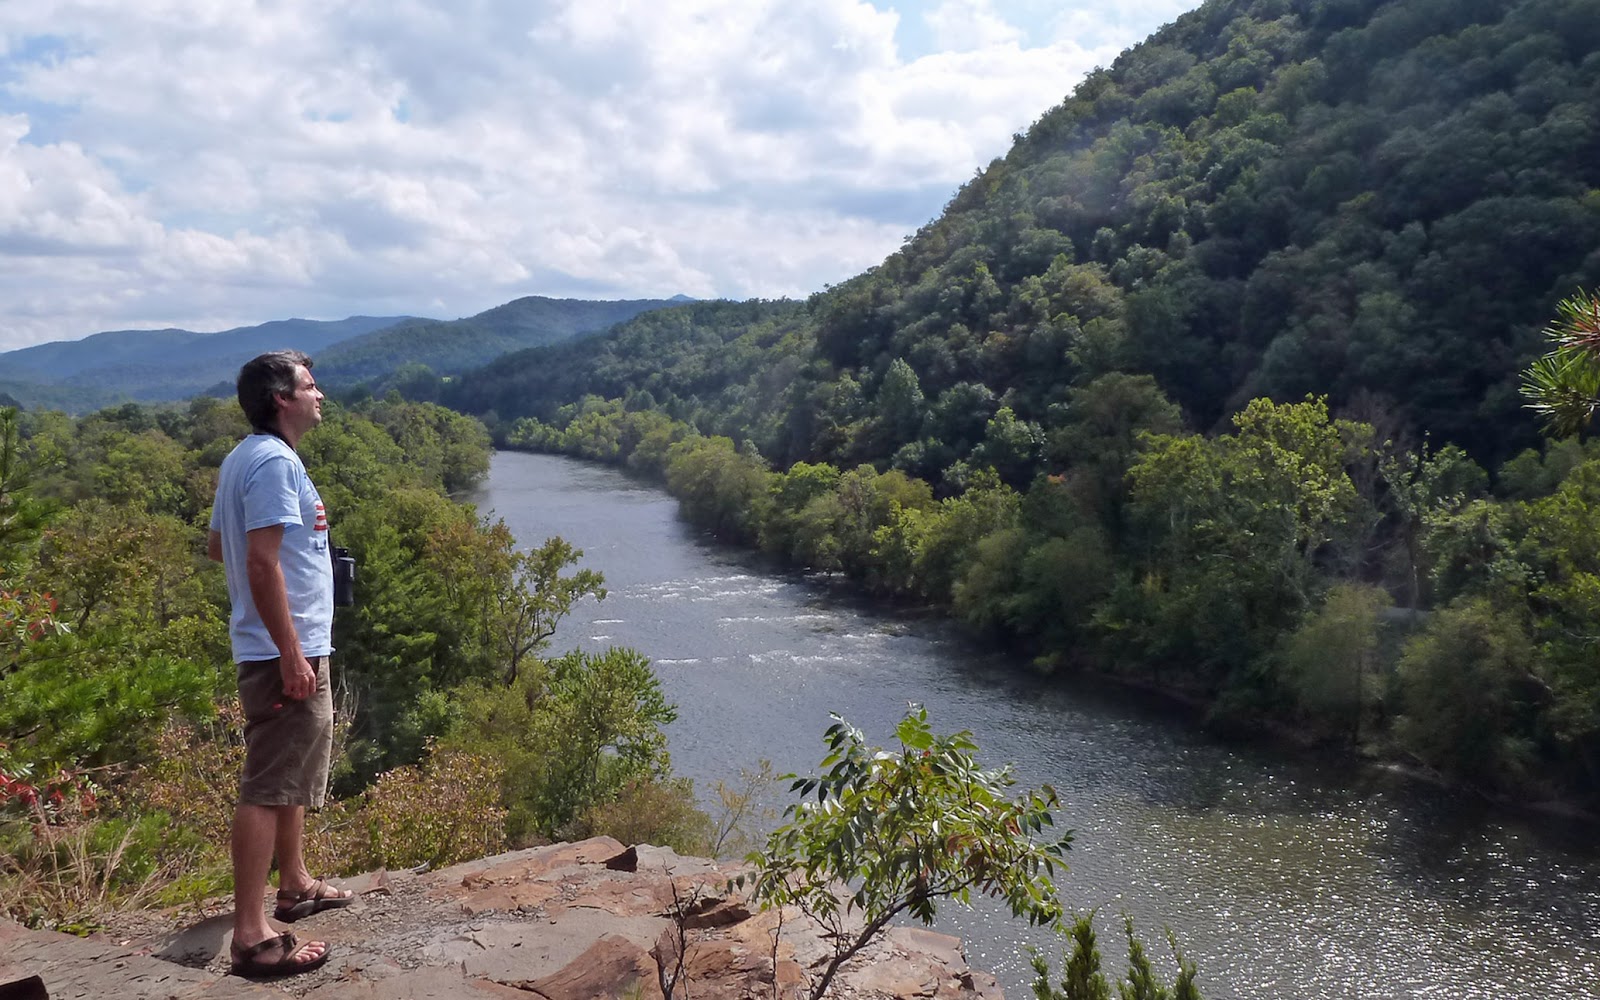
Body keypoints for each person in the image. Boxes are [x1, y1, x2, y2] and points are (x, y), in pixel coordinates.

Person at [207, 351, 352, 978]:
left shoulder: (245, 458)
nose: (320, 395)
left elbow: (219, 547)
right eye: (310, 386)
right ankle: (251, 936)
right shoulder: (272, 462)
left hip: (283, 643)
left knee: (290, 771)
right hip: (280, 650)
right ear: (281, 399)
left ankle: (293, 883)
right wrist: (291, 651)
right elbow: (259, 561)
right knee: (267, 785)